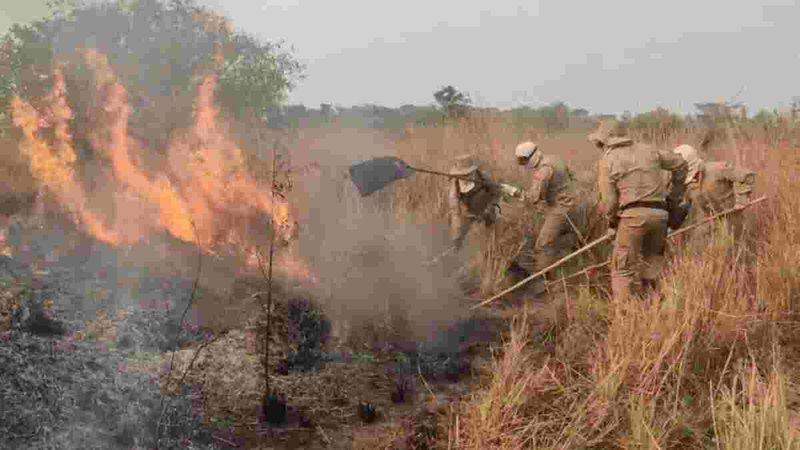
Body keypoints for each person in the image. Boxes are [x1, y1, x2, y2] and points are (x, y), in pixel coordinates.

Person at [591, 120, 688, 300]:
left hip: (632, 218)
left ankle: (624, 317)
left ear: (606, 141)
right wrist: (674, 198)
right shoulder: (650, 150)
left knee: (622, 270)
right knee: (653, 265)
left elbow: (609, 202)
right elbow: (681, 164)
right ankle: (654, 306)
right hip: (660, 216)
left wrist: (612, 224)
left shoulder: (608, 160)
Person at [507, 141, 581, 298]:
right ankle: (565, 270)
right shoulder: (555, 159)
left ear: (532, 156)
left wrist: (514, 192)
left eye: (524, 160)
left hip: (562, 209)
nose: (523, 164)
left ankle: (544, 284)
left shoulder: (543, 171)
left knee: (543, 244)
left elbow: (533, 198)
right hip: (576, 204)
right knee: (567, 240)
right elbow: (573, 177)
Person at [672, 144, 756, 243]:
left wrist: (742, 198)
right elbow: (684, 208)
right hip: (708, 222)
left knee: (734, 247)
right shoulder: (685, 185)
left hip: (731, 217)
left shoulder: (718, 169)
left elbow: (747, 176)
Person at [447, 154, 510, 250]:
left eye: (467, 174)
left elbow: (497, 194)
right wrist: (456, 235)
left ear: (473, 171)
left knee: (495, 228)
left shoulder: (483, 177)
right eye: (462, 175)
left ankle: (496, 248)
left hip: (490, 206)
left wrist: (488, 209)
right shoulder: (455, 185)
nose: (465, 177)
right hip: (470, 212)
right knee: (460, 236)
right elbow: (455, 211)